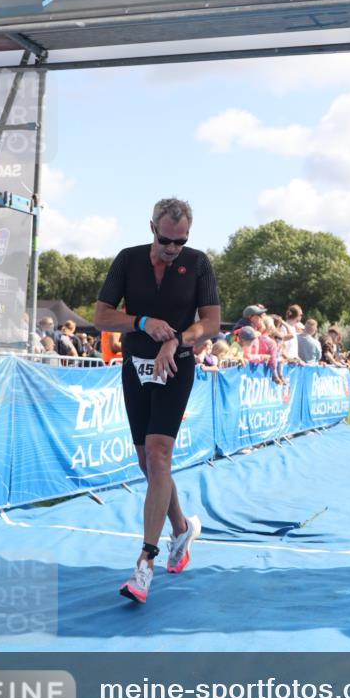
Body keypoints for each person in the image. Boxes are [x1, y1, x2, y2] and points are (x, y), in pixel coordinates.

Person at [94, 197, 220, 605]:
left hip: (177, 365)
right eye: (167, 240)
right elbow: (100, 316)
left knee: (160, 453)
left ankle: (145, 562)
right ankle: (182, 528)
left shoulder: (199, 263)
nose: (172, 249)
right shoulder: (128, 260)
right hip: (135, 366)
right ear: (153, 228)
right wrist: (143, 323)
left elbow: (212, 323)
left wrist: (177, 341)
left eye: (180, 242)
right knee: (147, 463)